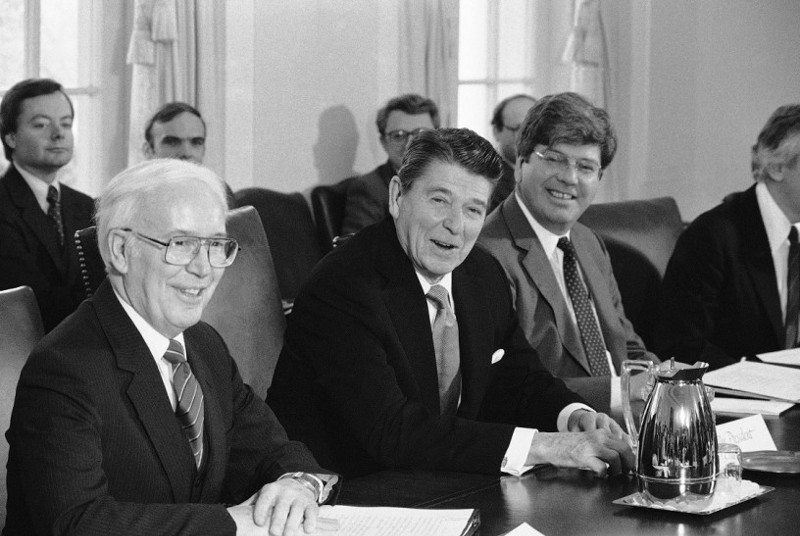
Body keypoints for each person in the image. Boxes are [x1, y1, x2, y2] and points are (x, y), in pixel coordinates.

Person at [268, 128, 634, 478]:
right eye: (440, 200)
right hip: (342, 491)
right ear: (397, 197)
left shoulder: (481, 273)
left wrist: (572, 416)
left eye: (474, 210)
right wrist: (544, 446)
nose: (455, 225)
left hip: (441, 485)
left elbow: (519, 378)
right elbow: (392, 431)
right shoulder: (344, 287)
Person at [4, 159, 337, 535]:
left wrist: (298, 484)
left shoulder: (203, 344)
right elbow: (77, 522)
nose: (204, 268)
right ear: (120, 250)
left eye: (215, 245)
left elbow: (270, 450)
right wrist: (228, 523)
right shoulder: (64, 368)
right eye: (181, 244)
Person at [479, 92, 659, 419]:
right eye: (554, 159)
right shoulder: (486, 253)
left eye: (586, 166)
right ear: (520, 165)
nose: (570, 177)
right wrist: (621, 392)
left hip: (624, 427)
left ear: (599, 178)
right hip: (555, 436)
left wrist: (665, 379)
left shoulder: (589, 242)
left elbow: (626, 346)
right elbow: (508, 386)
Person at [653, 104, 800, 369]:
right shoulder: (711, 237)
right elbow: (682, 345)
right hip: (736, 402)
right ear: (777, 168)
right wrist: (761, 381)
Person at [0, 78, 95, 332]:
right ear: (10, 137)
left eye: (66, 123)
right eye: (41, 124)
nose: (59, 133)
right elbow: (28, 301)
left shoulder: (89, 207)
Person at [340, 93, 440, 235]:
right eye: (398, 135)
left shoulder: (451, 183)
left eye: (421, 134)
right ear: (383, 142)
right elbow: (357, 251)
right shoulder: (369, 189)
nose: (410, 143)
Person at [143, 101, 236, 207]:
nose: (186, 153)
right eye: (172, 142)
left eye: (196, 142)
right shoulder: (134, 195)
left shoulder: (219, 192)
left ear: (204, 149)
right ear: (149, 151)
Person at [489, 93, 536, 213]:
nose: (529, 137)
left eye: (535, 128)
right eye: (519, 129)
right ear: (497, 132)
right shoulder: (490, 181)